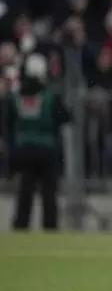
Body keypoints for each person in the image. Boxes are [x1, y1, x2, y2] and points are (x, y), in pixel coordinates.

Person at [1, 54, 71, 231]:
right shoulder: (50, 95)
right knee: (49, 191)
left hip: (23, 148)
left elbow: (7, 121)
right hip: (46, 147)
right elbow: (65, 117)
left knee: (25, 189)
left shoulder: (16, 96)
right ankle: (50, 225)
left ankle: (21, 224)